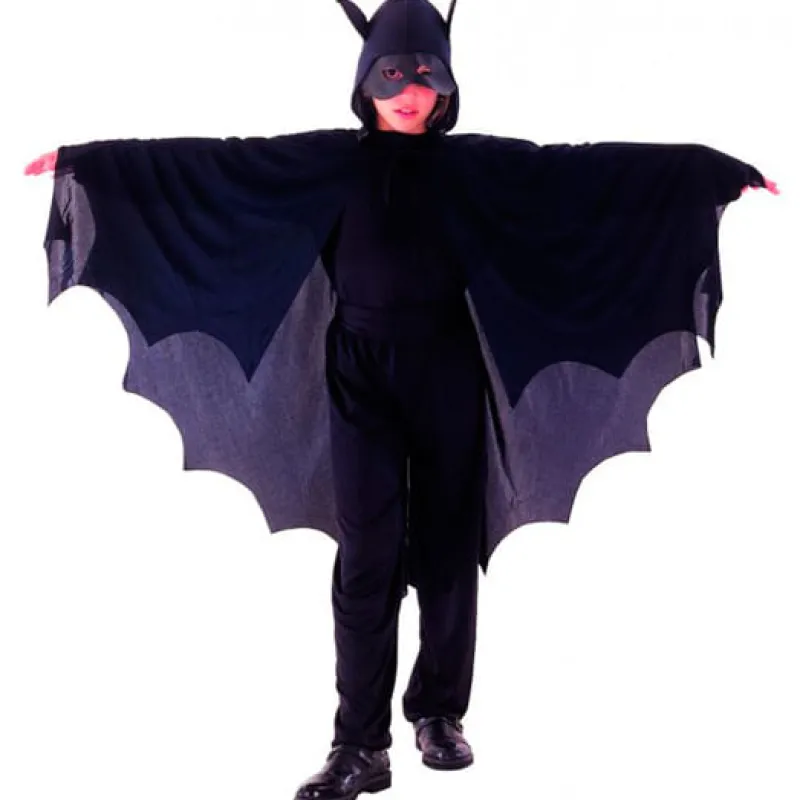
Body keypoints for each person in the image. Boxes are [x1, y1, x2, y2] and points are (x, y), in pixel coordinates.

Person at [24, 3, 779, 800]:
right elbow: (216, 165)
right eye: (393, 75)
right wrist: (89, 163)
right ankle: (358, 745)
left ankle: (440, 713)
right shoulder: (329, 162)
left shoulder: (476, 166)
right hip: (359, 375)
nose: (410, 92)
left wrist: (707, 171)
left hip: (447, 366)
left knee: (449, 545)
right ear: (365, 81)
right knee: (367, 554)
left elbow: (585, 173)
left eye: (426, 76)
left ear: (447, 85)